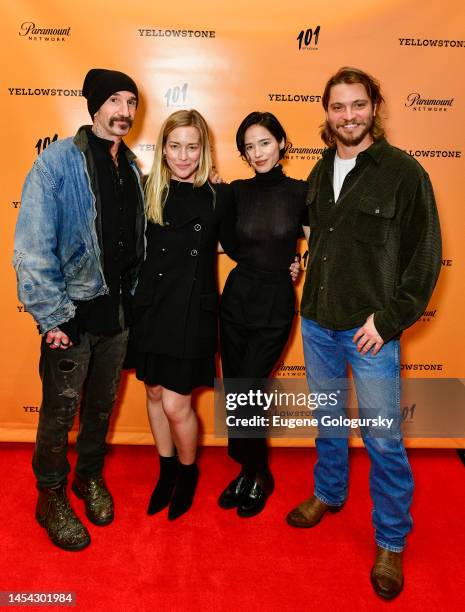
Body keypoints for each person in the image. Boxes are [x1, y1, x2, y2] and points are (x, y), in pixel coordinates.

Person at [286, 67, 441, 599]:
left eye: (357, 105)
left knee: (381, 438)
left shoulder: (403, 173)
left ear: (374, 106)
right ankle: (329, 493)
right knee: (328, 421)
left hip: (370, 330)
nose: (347, 116)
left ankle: (392, 540)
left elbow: (423, 258)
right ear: (326, 112)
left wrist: (389, 319)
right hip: (318, 322)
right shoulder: (319, 168)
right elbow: (317, 237)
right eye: (337, 107)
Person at [13, 68, 145, 551]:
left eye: (131, 102)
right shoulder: (56, 163)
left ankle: (88, 477)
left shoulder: (131, 168)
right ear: (94, 107)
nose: (124, 112)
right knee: (59, 412)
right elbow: (31, 248)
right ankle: (49, 495)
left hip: (117, 318)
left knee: (99, 408)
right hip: (71, 319)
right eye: (114, 100)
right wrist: (53, 318)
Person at [128, 109, 232, 520]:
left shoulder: (220, 195)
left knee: (176, 405)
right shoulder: (148, 188)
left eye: (192, 147)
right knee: (153, 393)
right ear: (164, 148)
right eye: (175, 146)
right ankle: (166, 469)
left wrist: (289, 264)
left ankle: (187, 473)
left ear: (203, 149)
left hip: (192, 313)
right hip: (152, 307)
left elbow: (244, 243)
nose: (183, 156)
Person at [218, 111, 308, 518]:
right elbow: (230, 246)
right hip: (236, 300)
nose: (257, 153)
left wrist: (300, 262)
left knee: (250, 390)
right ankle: (248, 471)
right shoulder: (236, 192)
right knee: (236, 391)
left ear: (282, 143)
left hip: (275, 304)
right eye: (249, 146)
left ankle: (260, 474)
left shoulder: (301, 192)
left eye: (265, 143)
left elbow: (321, 243)